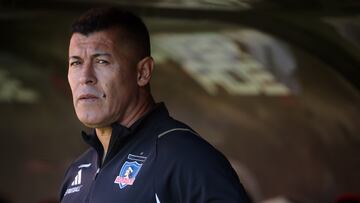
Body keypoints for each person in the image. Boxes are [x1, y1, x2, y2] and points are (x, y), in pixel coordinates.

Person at [59, 7, 251, 203]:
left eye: (101, 61)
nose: (85, 77)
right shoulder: (79, 170)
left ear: (143, 72)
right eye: (76, 63)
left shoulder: (184, 157)